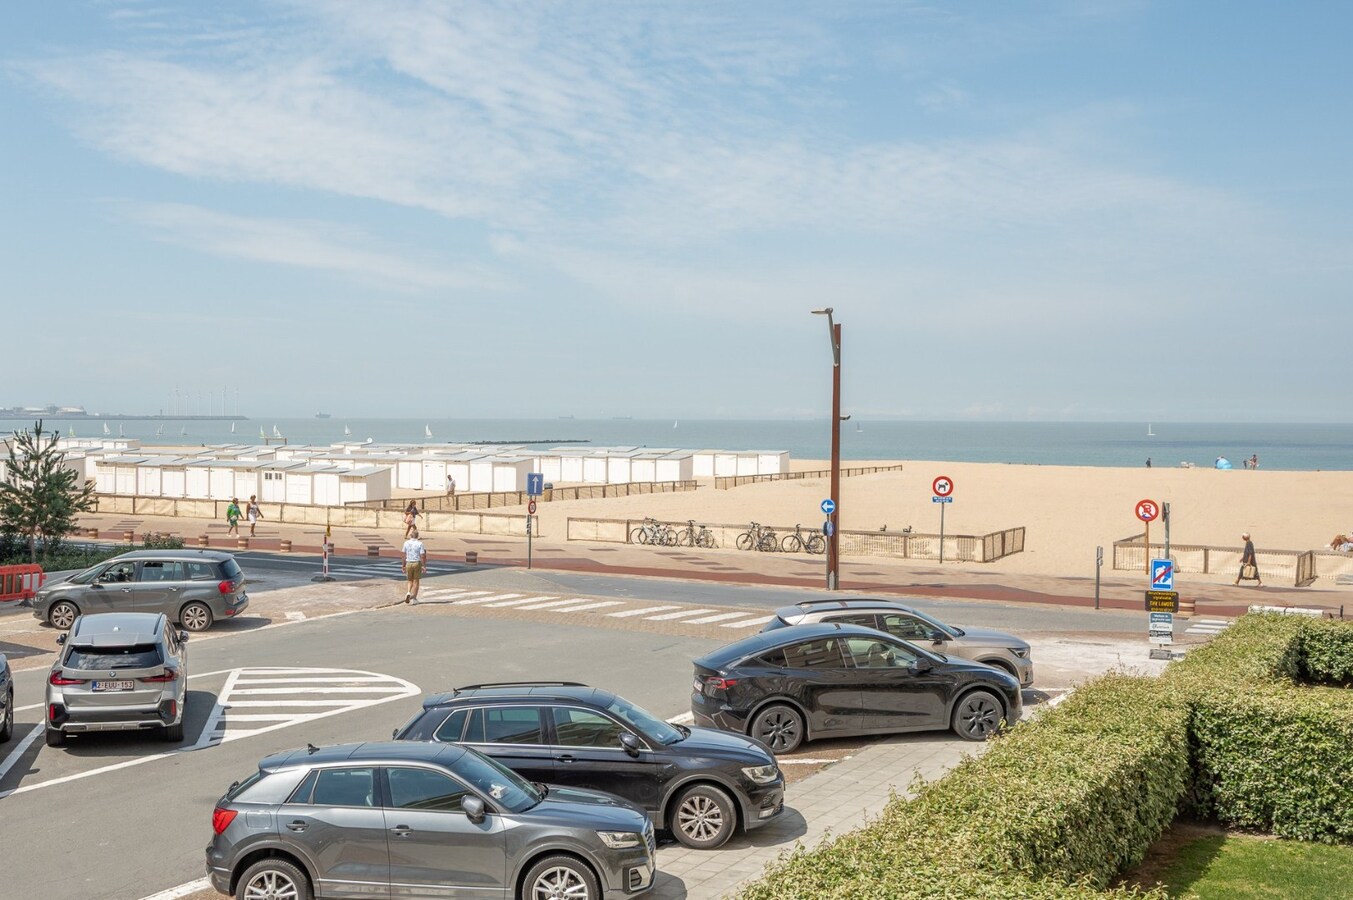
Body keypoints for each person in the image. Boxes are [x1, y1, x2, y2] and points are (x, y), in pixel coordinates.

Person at [401, 527, 426, 604]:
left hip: (408, 562)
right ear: (417, 536)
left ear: (410, 536)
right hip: (416, 562)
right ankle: (414, 598)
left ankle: (408, 592)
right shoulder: (420, 543)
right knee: (416, 581)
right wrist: (423, 566)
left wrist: (403, 565)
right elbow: (422, 555)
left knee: (409, 580)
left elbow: (403, 555)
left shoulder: (406, 543)